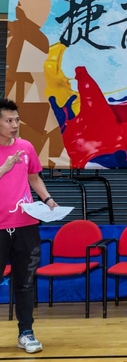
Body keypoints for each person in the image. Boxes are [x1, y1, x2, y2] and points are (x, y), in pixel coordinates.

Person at [0, 98, 58, 354]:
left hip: (25, 225)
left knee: (25, 282)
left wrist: (47, 199)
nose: (15, 125)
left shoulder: (26, 147)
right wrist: (4, 168)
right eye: (8, 121)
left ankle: (26, 332)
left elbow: (34, 177)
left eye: (16, 120)